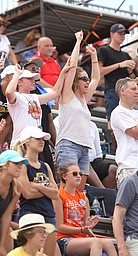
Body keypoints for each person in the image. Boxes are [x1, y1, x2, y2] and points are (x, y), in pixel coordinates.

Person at [56, 31, 100, 192]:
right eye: (84, 79)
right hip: (68, 144)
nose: (88, 81)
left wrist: (94, 56)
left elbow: (96, 78)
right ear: (75, 81)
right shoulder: (67, 95)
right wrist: (78, 42)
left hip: (84, 148)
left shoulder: (83, 99)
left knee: (79, 192)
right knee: (66, 190)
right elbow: (72, 66)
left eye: (87, 79)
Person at [13, 126, 59, 256]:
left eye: (42, 139)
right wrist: (46, 189)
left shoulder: (46, 166)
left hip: (49, 214)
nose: (42, 141)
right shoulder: (23, 165)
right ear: (27, 142)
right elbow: (27, 193)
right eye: (38, 138)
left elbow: (56, 194)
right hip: (31, 214)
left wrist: (37, 186)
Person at [55, 162, 117, 256]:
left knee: (109, 243)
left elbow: (85, 225)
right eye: (75, 174)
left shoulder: (84, 198)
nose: (79, 176)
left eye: (80, 174)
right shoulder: (59, 196)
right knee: (95, 242)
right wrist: (81, 229)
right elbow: (60, 227)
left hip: (81, 237)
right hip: (64, 238)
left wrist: (89, 225)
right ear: (64, 176)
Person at [6, 61, 69, 147]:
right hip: (21, 142)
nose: (33, 81)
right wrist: (17, 74)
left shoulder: (35, 97)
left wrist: (63, 72)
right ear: (19, 82)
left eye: (33, 79)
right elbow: (9, 92)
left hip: (35, 141)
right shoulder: (17, 97)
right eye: (29, 79)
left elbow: (55, 92)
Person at [98, 23, 136, 123]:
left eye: (124, 34)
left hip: (126, 91)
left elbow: (133, 77)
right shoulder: (104, 50)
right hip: (112, 90)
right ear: (111, 34)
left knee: (128, 120)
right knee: (113, 120)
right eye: (120, 33)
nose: (122, 36)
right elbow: (99, 71)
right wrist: (119, 65)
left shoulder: (126, 55)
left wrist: (130, 71)